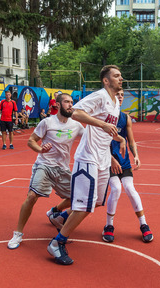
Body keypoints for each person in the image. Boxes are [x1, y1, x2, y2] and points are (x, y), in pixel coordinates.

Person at [47, 65, 125, 265]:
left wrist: (118, 140)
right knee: (84, 205)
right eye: (116, 76)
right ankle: (57, 243)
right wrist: (101, 124)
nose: (120, 78)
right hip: (88, 157)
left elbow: (107, 130)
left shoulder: (116, 102)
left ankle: (60, 216)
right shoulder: (99, 96)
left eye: (120, 75)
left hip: (103, 159)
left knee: (98, 201)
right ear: (106, 80)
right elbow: (75, 112)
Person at [7, 93, 84, 249]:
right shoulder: (47, 122)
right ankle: (18, 233)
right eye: (67, 102)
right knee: (31, 196)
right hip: (44, 165)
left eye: (72, 102)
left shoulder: (76, 125)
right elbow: (31, 141)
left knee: (78, 198)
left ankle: (55, 214)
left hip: (62, 169)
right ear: (57, 104)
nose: (70, 105)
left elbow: (90, 138)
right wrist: (41, 150)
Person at [103, 89, 153, 243]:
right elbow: (99, 142)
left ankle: (143, 224)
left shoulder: (125, 118)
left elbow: (131, 141)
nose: (120, 96)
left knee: (130, 188)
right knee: (116, 189)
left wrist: (136, 155)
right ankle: (108, 226)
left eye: (122, 95)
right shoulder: (104, 118)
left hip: (123, 160)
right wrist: (110, 158)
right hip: (108, 160)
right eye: (117, 94)